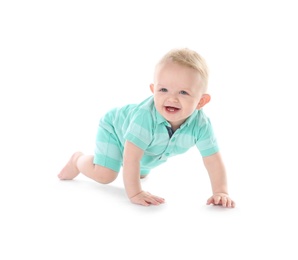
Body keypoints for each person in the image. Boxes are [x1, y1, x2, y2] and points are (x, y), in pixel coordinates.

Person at [58, 48, 236, 208]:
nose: (171, 98)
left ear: (201, 101)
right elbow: (131, 158)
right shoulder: (145, 118)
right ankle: (77, 160)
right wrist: (135, 193)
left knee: (140, 171)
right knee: (106, 175)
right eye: (163, 89)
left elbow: (213, 160)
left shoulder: (201, 125)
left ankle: (136, 170)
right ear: (153, 90)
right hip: (115, 130)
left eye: (183, 92)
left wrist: (221, 191)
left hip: (147, 149)